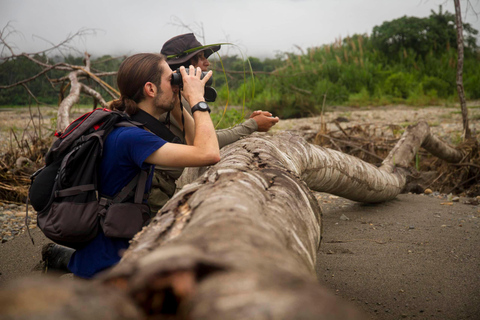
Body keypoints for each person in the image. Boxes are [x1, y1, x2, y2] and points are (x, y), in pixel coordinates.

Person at [44, 53, 220, 279]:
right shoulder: (132, 137)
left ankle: (66, 261)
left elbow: (195, 142)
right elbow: (209, 152)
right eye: (171, 79)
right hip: (111, 267)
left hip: (110, 251)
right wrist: (197, 99)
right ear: (150, 89)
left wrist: (177, 101)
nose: (176, 84)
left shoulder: (127, 124)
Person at [148, 33, 279, 212]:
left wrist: (250, 122)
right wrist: (252, 125)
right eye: (199, 58)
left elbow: (202, 137)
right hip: (150, 189)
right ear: (182, 66)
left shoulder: (175, 100)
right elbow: (209, 146)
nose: (207, 63)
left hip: (157, 186)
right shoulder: (173, 100)